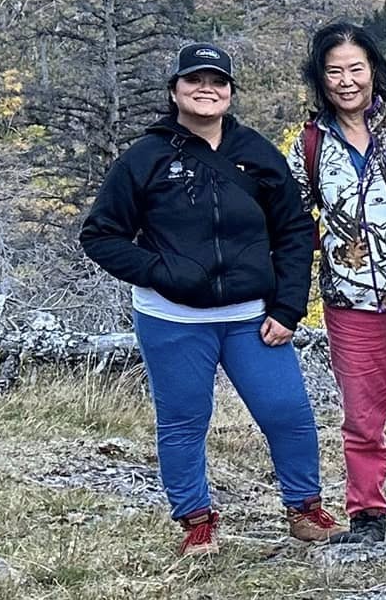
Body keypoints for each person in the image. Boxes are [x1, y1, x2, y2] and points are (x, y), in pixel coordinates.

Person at [79, 42, 337, 557]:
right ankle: (196, 521)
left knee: (287, 410)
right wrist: (160, 272)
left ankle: (305, 509)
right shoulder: (145, 158)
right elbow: (101, 234)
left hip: (252, 318)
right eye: (194, 80)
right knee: (183, 420)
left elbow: (293, 231)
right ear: (174, 90)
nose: (206, 89)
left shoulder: (257, 154)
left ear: (230, 92)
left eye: (217, 81)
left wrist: (289, 307)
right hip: (171, 318)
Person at [287, 21, 386, 546]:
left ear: (375, 69)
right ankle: (367, 518)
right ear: (320, 77)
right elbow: (288, 220)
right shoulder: (310, 144)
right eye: (335, 71)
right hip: (350, 303)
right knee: (362, 420)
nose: (347, 81)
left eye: (357, 68)